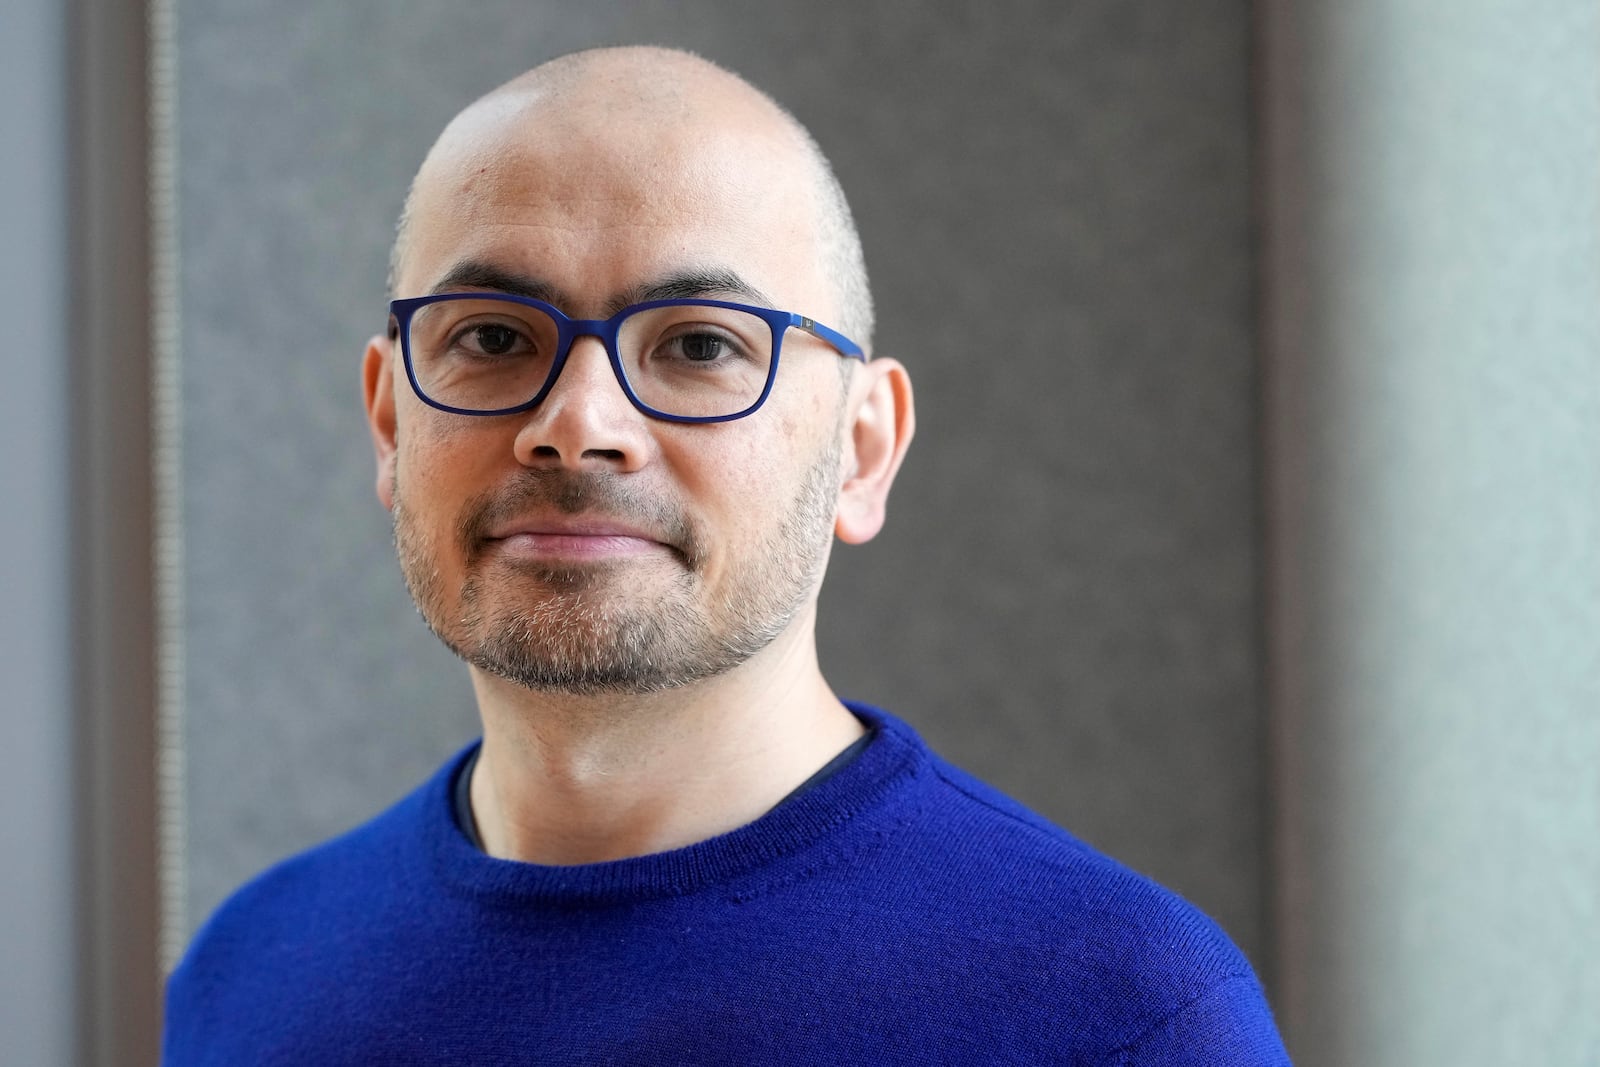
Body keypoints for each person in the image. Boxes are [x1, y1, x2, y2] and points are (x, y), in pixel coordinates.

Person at [163, 45, 1290, 1065]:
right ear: (389, 423)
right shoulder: (241, 979)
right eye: (493, 338)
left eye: (700, 346)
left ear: (861, 450)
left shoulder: (1122, 1014)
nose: (579, 420)